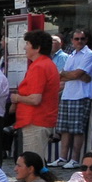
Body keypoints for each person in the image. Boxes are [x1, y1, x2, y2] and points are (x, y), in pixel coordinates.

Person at [9, 29, 60, 161]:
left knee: (33, 164)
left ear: (37, 48)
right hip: (39, 120)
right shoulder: (46, 64)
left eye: (27, 44)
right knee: (35, 162)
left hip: (35, 121)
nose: (25, 47)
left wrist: (16, 98)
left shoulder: (39, 67)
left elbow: (35, 99)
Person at [54, 28, 92, 167]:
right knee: (65, 129)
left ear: (86, 40)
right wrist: (72, 75)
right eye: (76, 39)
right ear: (72, 41)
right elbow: (66, 76)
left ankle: (74, 159)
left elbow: (77, 75)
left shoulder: (89, 54)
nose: (79, 41)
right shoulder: (72, 55)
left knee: (77, 130)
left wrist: (69, 74)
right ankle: (62, 158)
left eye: (82, 39)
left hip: (81, 95)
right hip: (68, 94)